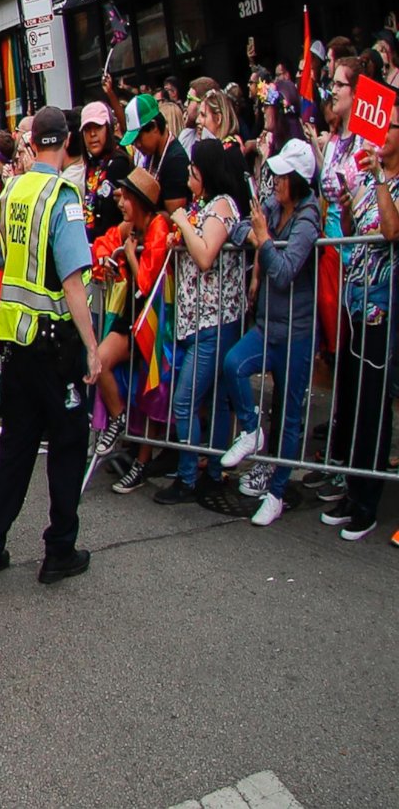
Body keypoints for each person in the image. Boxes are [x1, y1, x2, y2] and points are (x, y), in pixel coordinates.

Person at [0, 106, 101, 585]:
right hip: (56, 343)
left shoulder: (12, 193)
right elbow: (72, 281)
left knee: (17, 450)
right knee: (67, 446)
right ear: (64, 142)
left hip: (17, 342)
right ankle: (59, 549)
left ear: (33, 143)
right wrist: (92, 346)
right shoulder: (62, 196)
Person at [220, 140, 323, 527]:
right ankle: (250, 428)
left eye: (281, 176)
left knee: (291, 416)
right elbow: (241, 227)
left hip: (296, 332)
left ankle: (278, 492)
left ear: (297, 180)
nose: (275, 182)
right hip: (267, 325)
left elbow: (283, 270)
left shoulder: (308, 217)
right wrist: (257, 233)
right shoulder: (277, 207)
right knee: (233, 364)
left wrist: (262, 241)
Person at [317, 62, 397, 540]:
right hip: (354, 295)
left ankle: (368, 501)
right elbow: (350, 220)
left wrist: (381, 179)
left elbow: (390, 228)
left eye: (390, 129)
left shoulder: (389, 179)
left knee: (374, 400)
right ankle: (353, 486)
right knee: (354, 393)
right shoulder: (369, 174)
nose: (380, 138)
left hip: (383, 303)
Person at [159, 141, 253, 508]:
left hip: (214, 322)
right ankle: (211, 473)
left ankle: (188, 477)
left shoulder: (223, 206)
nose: (187, 175)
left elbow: (205, 255)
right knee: (210, 403)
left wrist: (182, 222)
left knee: (185, 402)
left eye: (192, 168)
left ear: (205, 171)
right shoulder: (203, 207)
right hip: (195, 321)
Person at [85, 169, 171, 495]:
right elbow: (105, 243)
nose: (120, 203)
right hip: (130, 317)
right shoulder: (131, 226)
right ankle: (117, 418)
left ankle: (142, 462)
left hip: (154, 323)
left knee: (148, 391)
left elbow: (149, 283)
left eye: (126, 198)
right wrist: (108, 257)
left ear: (140, 202)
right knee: (99, 360)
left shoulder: (159, 227)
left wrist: (131, 259)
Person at [124, 95, 190, 220]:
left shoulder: (175, 161)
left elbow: (176, 218)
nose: (137, 145)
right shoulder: (152, 153)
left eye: (138, 138)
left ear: (154, 127)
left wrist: (136, 211)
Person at [78, 101, 135, 240]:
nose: (92, 134)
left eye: (97, 127)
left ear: (108, 129)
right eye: (87, 129)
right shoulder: (91, 165)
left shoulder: (118, 164)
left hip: (114, 250)